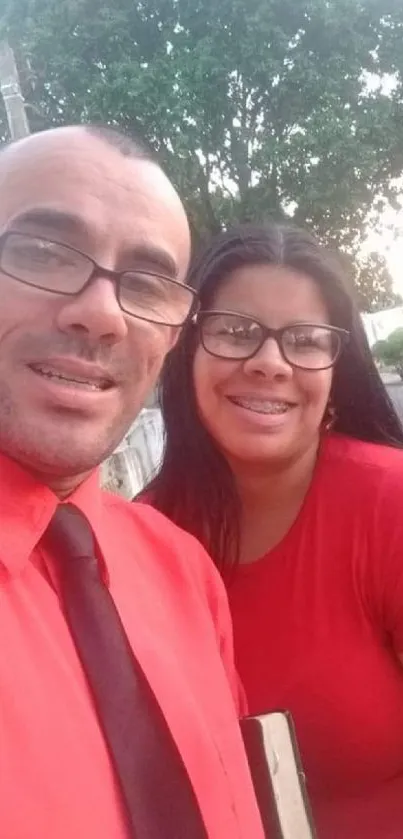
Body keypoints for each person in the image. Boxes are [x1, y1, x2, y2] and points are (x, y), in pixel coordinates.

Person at [0, 127, 265, 839]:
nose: (104, 313)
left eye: (146, 283)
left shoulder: (181, 569)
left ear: (174, 333)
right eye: (44, 253)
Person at [147, 222, 403, 839]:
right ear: (188, 350)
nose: (269, 363)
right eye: (235, 332)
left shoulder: (388, 503)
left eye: (306, 341)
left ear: (336, 371)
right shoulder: (137, 540)